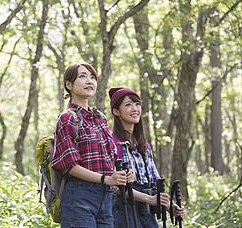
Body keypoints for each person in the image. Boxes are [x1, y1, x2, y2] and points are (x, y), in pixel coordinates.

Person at [52, 62, 133, 228]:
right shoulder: (67, 118)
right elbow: (69, 166)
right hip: (79, 197)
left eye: (92, 77)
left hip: (105, 199)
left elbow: (110, 158)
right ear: (69, 85)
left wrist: (121, 175)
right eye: (82, 76)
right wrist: (106, 179)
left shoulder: (100, 118)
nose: (89, 81)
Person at [108, 86, 185, 228]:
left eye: (137, 104)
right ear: (116, 111)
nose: (135, 109)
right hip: (124, 210)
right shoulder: (112, 143)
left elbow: (155, 181)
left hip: (147, 210)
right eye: (128, 105)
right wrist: (149, 199)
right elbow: (115, 187)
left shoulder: (144, 146)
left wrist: (169, 208)